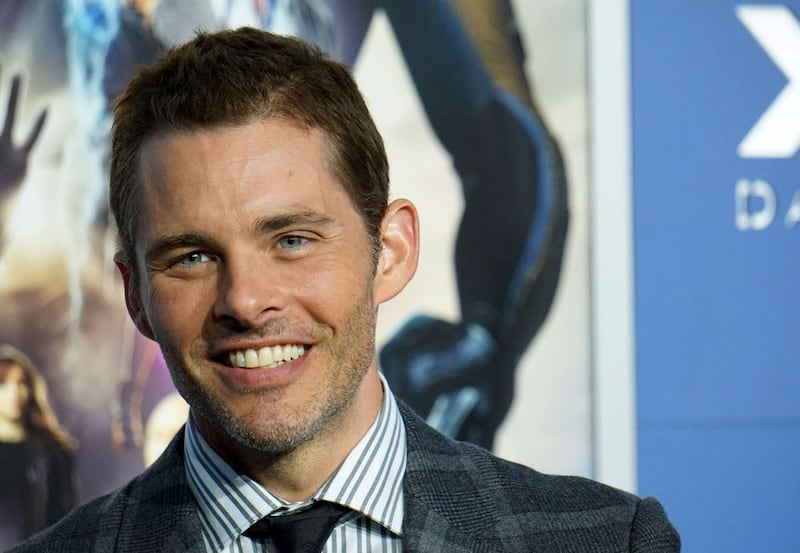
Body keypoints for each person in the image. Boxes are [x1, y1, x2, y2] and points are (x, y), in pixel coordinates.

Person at [7, 28, 680, 552]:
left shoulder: (604, 540)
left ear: (392, 250)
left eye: (292, 240)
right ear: (136, 295)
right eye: (192, 255)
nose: (244, 299)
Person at [0, 345, 76, 550]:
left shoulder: (51, 451)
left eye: (21, 383)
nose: (15, 392)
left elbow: (64, 515)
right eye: (3, 383)